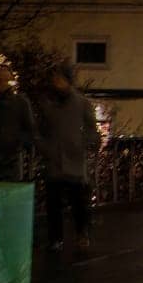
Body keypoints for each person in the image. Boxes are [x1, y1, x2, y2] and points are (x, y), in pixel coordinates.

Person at [36, 62, 100, 251]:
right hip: (54, 159)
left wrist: (84, 143)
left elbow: (91, 129)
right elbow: (40, 129)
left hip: (74, 159)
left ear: (68, 81)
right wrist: (44, 147)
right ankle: (56, 238)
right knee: (53, 203)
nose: (57, 82)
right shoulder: (48, 103)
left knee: (78, 202)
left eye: (60, 78)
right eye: (55, 78)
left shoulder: (81, 103)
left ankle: (82, 233)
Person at [0, 64, 37, 181]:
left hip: (12, 157)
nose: (3, 83)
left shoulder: (21, 103)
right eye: (0, 80)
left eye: (6, 80)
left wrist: (20, 145)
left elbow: (30, 129)